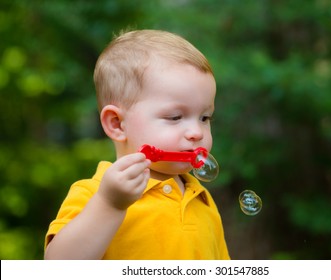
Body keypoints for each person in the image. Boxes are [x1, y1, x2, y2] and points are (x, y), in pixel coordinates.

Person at [44, 29, 230, 260]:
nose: (196, 132)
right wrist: (110, 205)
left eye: (205, 118)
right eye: (175, 117)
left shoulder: (202, 200)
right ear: (117, 124)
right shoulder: (95, 195)